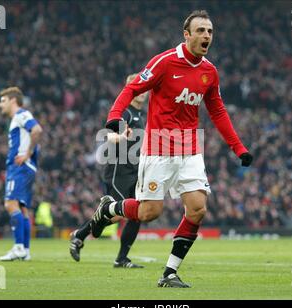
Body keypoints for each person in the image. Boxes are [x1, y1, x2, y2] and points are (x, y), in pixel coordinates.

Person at [91, 10, 253, 288]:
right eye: (201, 31)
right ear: (186, 35)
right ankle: (109, 209)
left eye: (210, 31)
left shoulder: (209, 72)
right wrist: (115, 115)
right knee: (149, 212)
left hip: (190, 149)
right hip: (158, 148)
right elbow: (132, 89)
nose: (206, 36)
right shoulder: (164, 62)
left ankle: (169, 273)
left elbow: (218, 110)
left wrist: (238, 148)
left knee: (198, 209)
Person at [70, 73, 147, 268]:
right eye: (134, 86)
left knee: (138, 213)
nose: (140, 91)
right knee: (120, 212)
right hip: (118, 169)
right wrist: (121, 137)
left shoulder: (142, 114)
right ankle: (80, 234)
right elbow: (110, 136)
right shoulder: (126, 112)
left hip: (134, 170)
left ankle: (121, 258)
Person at [0, 87, 43, 261]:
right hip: (25, 167)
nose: (0, 104)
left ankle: (18, 247)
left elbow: (37, 130)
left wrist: (28, 153)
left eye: (3, 100)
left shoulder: (21, 115)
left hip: (20, 167)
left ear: (12, 101)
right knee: (22, 208)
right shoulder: (16, 118)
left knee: (10, 204)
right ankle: (25, 250)